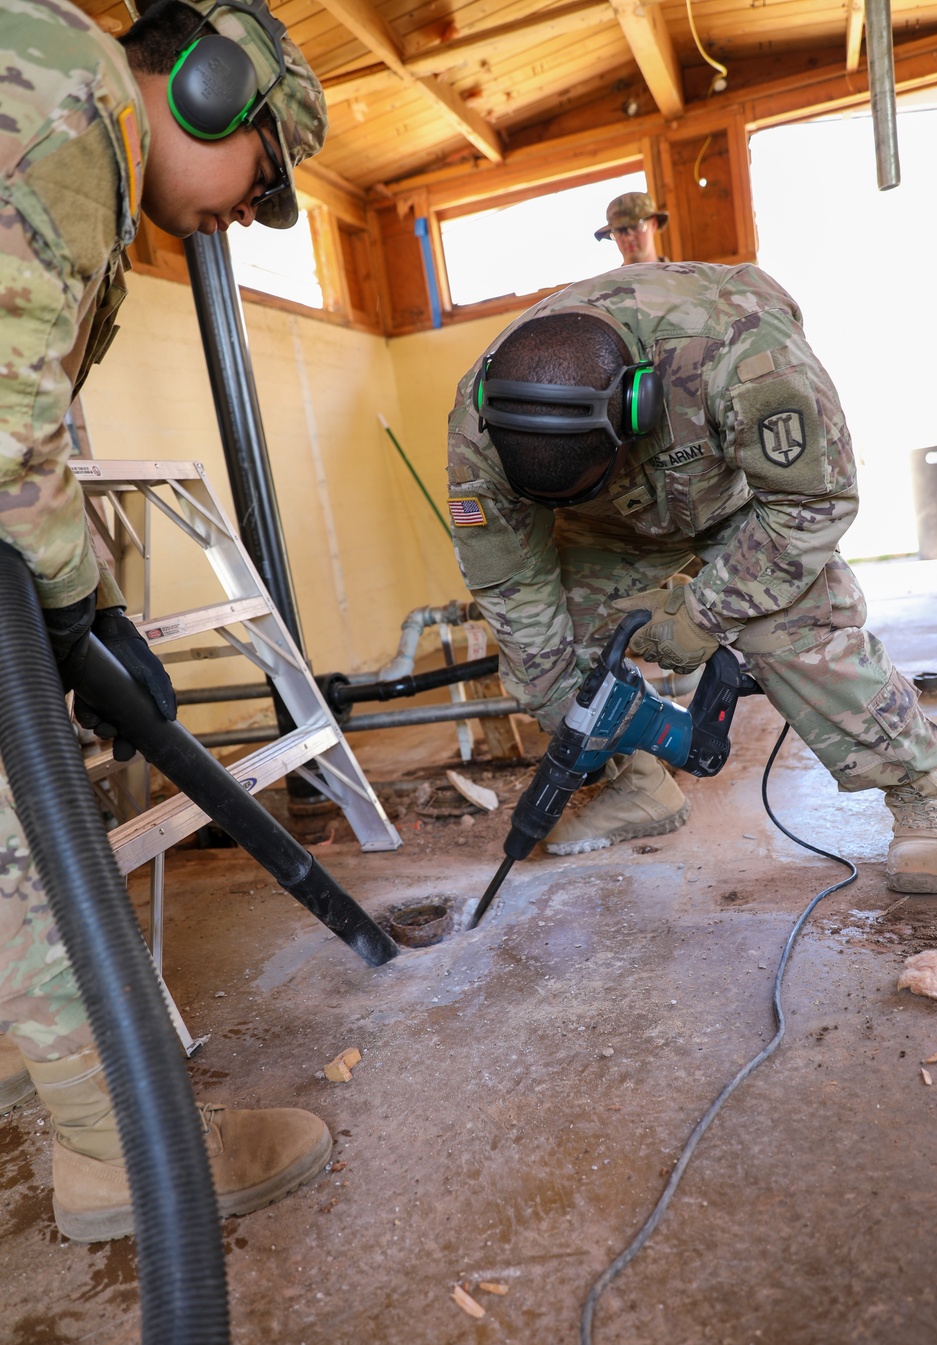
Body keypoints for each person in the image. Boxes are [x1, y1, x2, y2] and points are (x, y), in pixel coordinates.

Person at [0, 0, 333, 1242]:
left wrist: (69, 600)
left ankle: (30, 1047)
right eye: (263, 176)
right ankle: (121, 1147)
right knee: (29, 825)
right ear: (207, 89)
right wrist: (77, 604)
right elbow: (4, 415)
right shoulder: (69, 81)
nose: (249, 211)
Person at [447, 261, 937, 890]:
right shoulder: (481, 427)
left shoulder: (740, 346)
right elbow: (511, 584)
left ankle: (920, 793)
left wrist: (703, 614)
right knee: (549, 658)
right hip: (603, 525)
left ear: (635, 405)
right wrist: (558, 692)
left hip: (744, 503)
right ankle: (641, 789)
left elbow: (812, 504)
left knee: (792, 628)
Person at [595, 191, 669, 265]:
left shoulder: (678, 275)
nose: (628, 238)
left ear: (653, 224)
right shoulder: (611, 277)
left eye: (635, 226)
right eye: (619, 230)